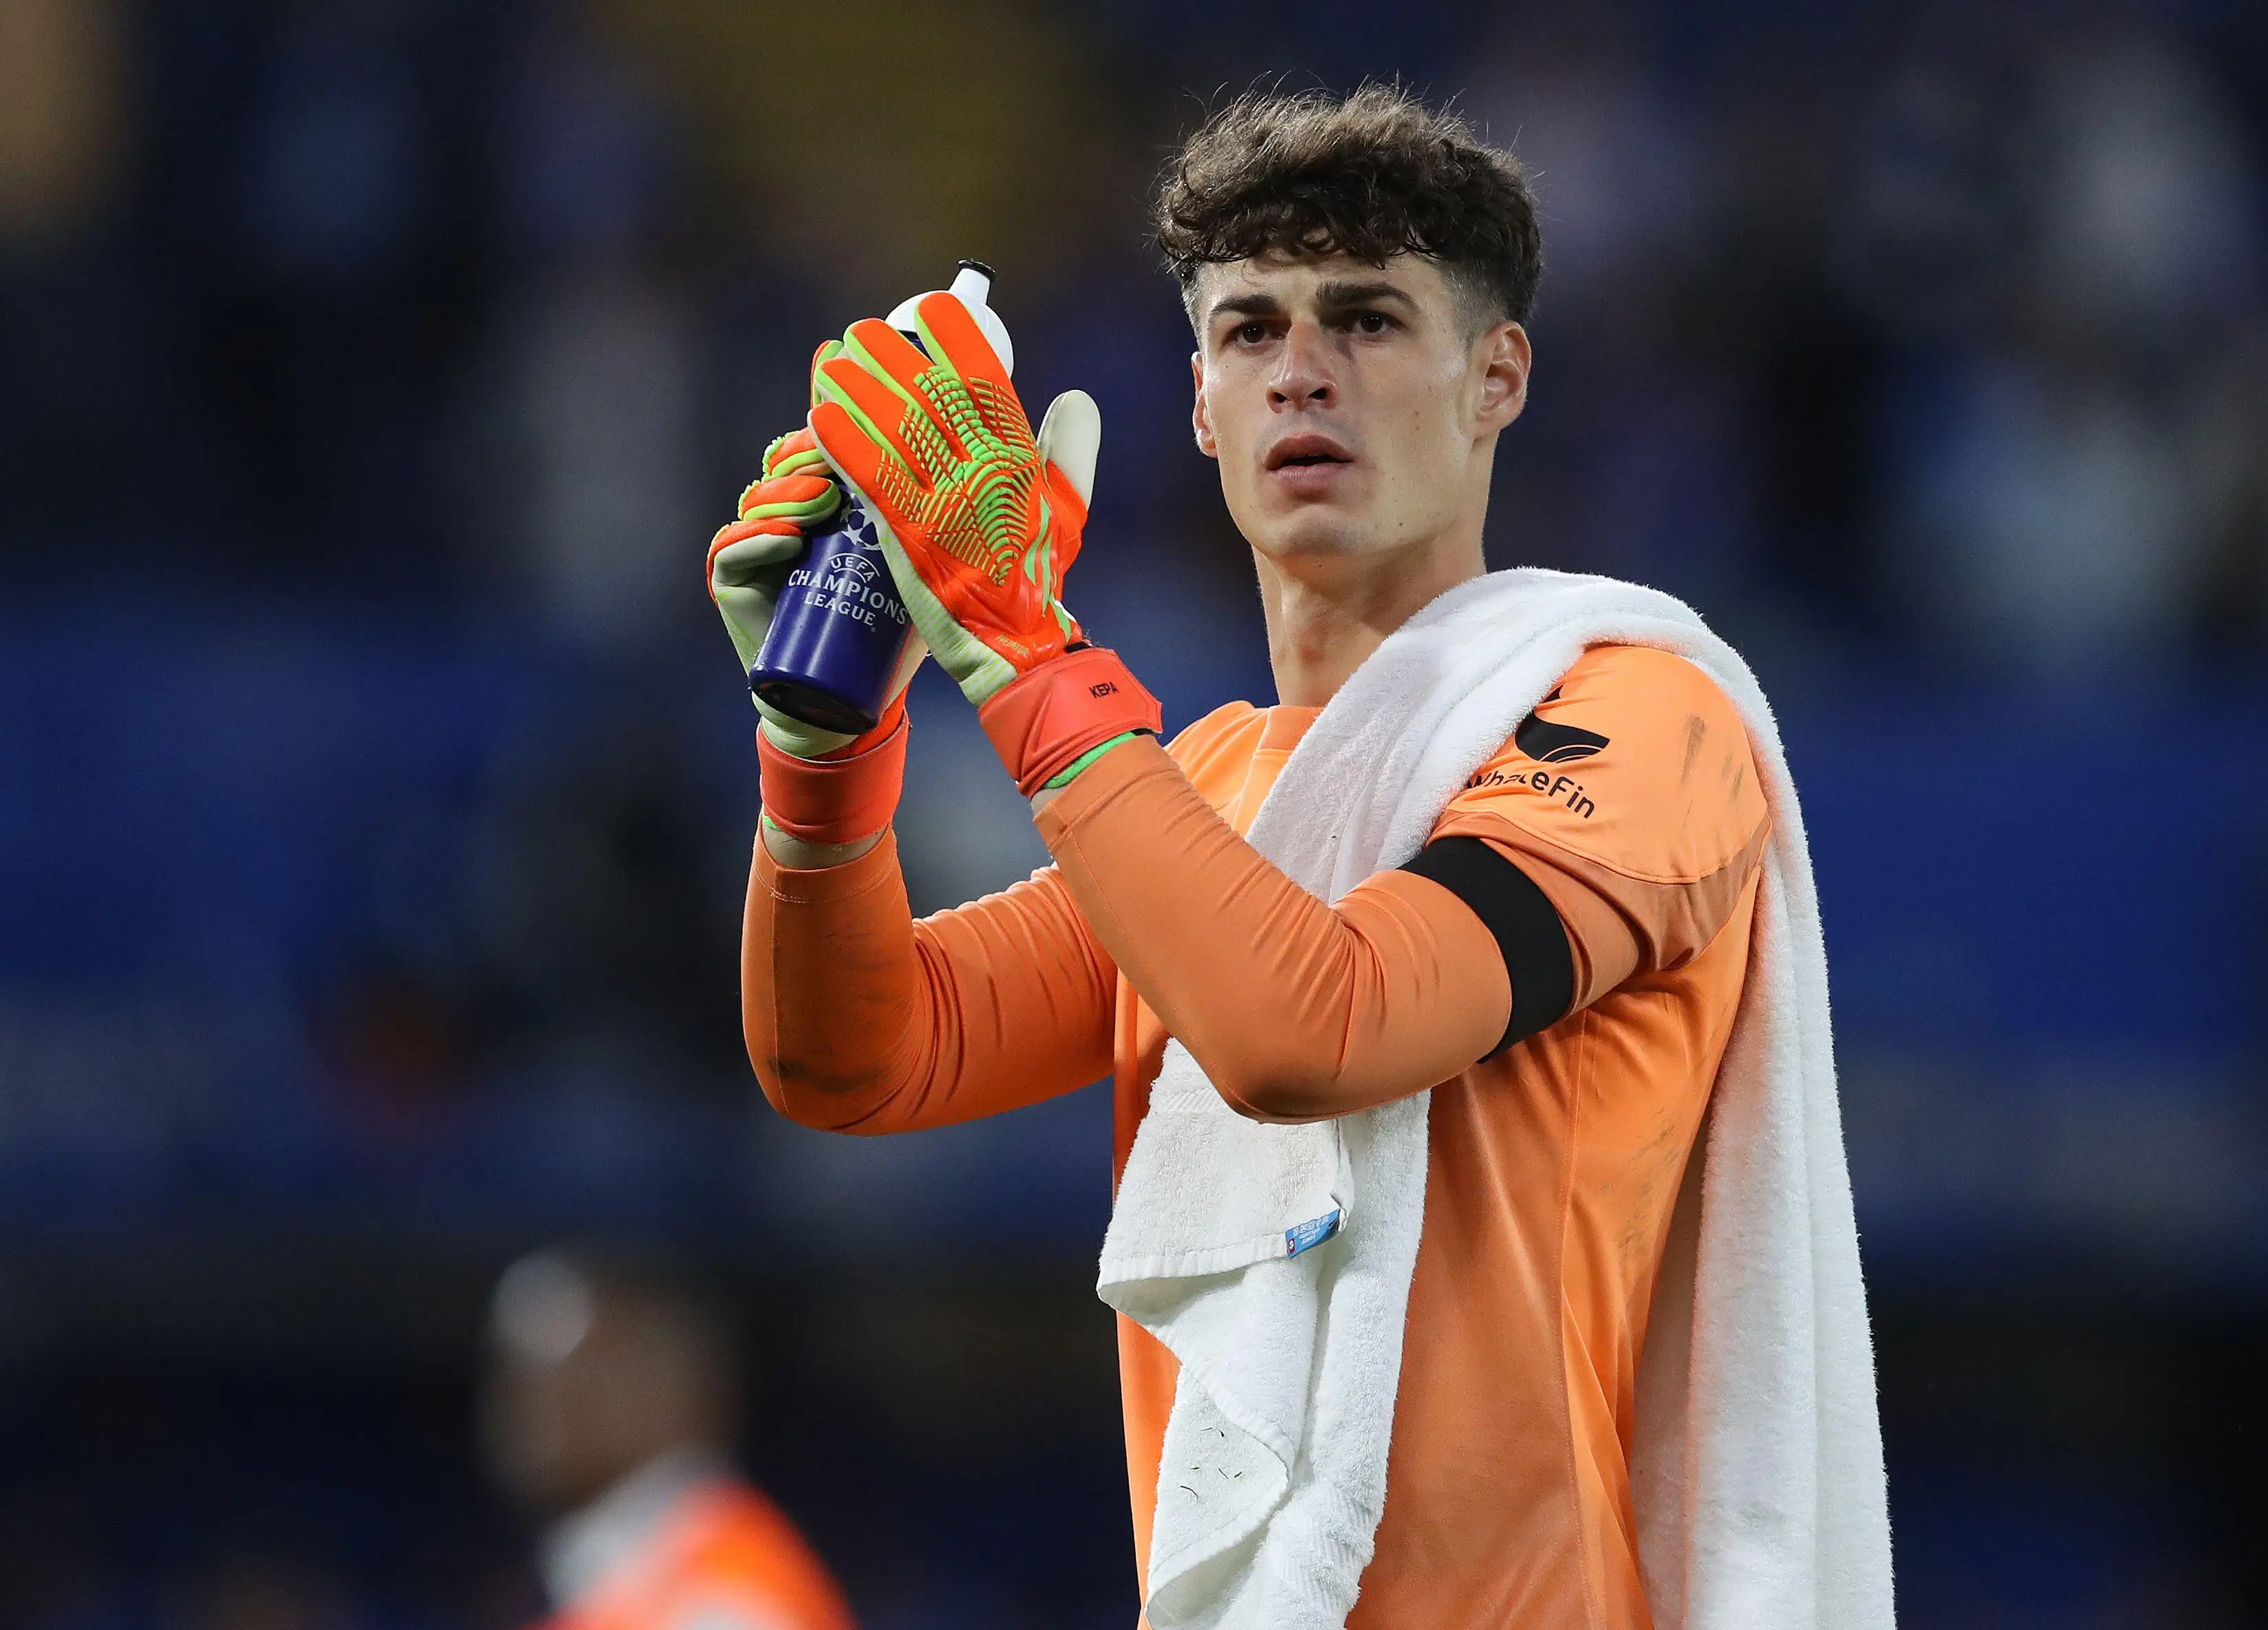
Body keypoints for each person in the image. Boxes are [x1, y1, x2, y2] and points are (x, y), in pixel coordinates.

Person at [711, 85, 1888, 1630]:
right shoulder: (1199, 788)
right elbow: (855, 1060)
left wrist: (1016, 646)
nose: (1301, 373)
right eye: (1249, 329)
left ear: (1496, 377)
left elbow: (1310, 1029)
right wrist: (823, 752)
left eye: (1369, 319)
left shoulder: (1639, 715)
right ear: (1198, 404)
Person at [480, 1249, 855, 1630]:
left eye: (583, 1368)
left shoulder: (727, 1601)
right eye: (520, 1375)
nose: (539, 1400)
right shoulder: (623, 1584)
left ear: (674, 1388)